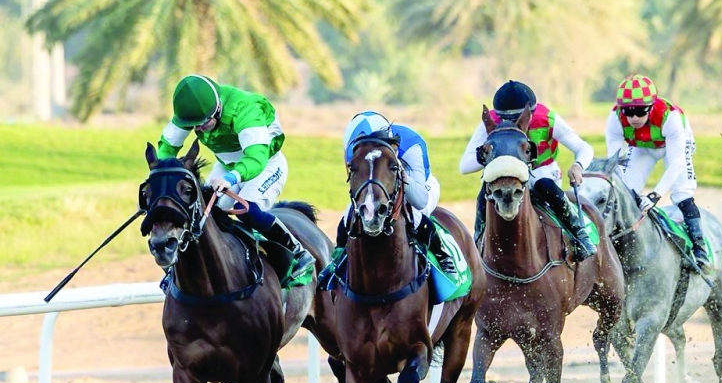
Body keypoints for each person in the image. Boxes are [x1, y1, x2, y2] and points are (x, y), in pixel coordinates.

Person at [156, 74, 315, 279]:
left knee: (246, 210)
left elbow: (256, 158)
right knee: (202, 214)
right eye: (192, 125)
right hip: (226, 166)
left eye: (202, 123)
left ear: (217, 110)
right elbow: (166, 150)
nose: (197, 129)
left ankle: (297, 251)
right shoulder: (193, 112)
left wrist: (231, 179)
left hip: (265, 165)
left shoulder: (245, 110)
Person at [459, 80, 596, 259]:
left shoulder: (547, 118)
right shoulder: (491, 122)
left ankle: (580, 235)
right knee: (483, 194)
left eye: (520, 117)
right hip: (506, 173)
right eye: (506, 119)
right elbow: (465, 166)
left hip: (542, 171)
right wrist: (489, 154)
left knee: (545, 186)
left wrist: (578, 166)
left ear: (531, 112)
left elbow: (583, 147)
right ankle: (478, 244)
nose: (514, 123)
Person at [605, 74, 710, 269]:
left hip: (674, 146)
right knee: (626, 192)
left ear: (651, 107)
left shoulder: (670, 117)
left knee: (683, 195)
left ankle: (700, 250)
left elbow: (677, 163)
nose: (634, 118)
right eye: (628, 111)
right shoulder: (615, 119)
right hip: (642, 147)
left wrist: (655, 195)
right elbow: (614, 163)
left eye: (640, 111)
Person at [338, 111, 458, 278]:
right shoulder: (354, 151)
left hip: (418, 187)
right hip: (381, 188)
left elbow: (420, 200)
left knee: (416, 215)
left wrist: (402, 174)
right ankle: (337, 259)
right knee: (347, 216)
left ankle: (443, 256)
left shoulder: (411, 145)